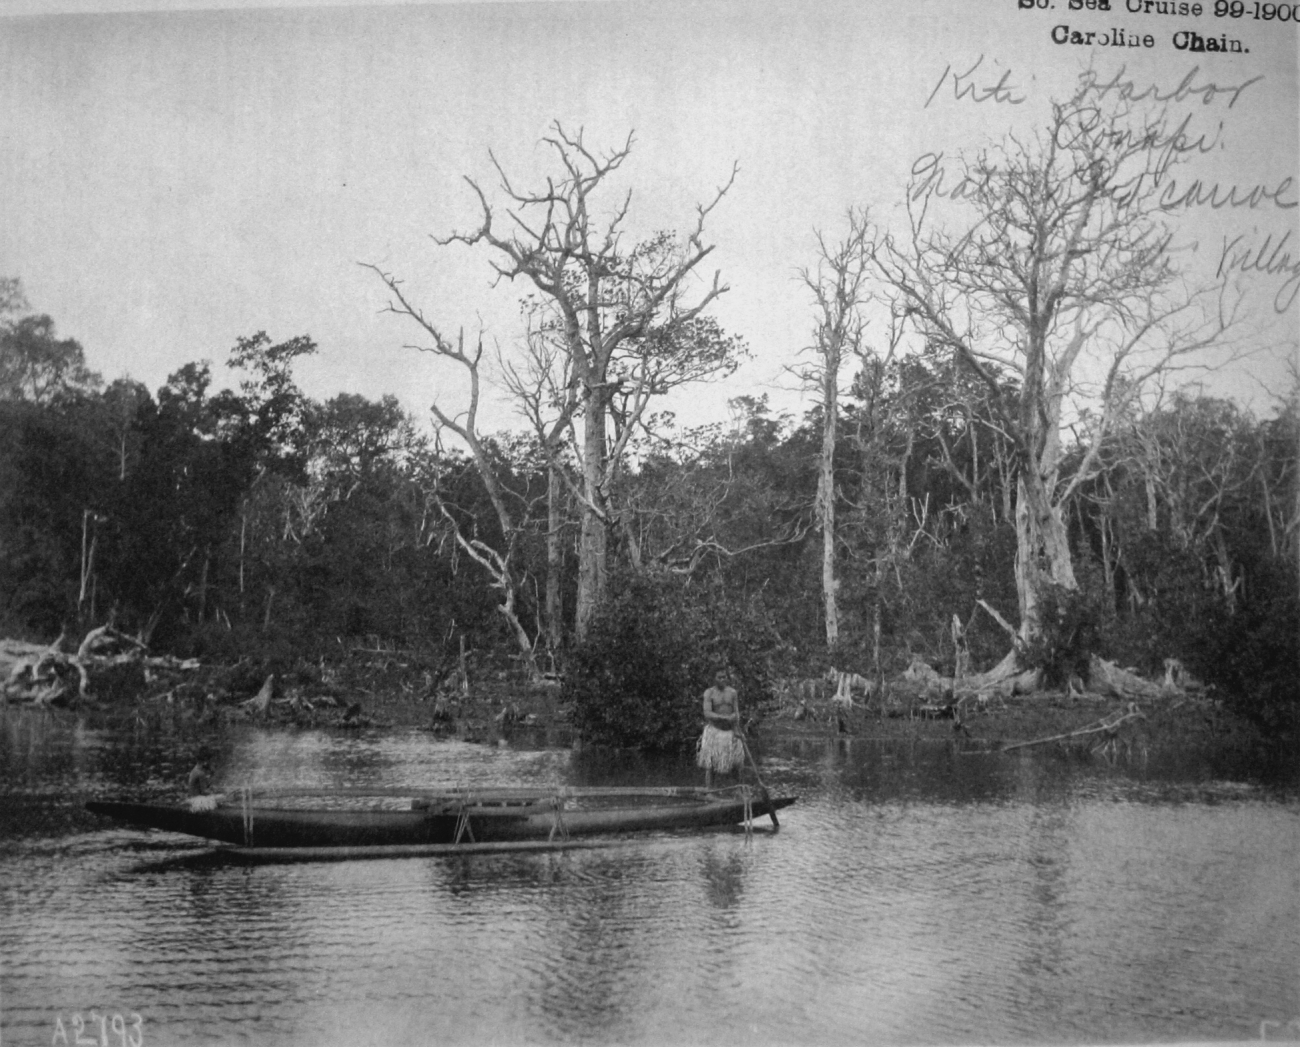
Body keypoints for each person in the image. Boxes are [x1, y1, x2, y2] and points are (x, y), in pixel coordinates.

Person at [697, 670, 746, 787]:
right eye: (719, 677)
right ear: (714, 678)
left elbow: (736, 713)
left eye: (724, 677)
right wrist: (723, 718)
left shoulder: (732, 692)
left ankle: (739, 791)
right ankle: (709, 791)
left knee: (737, 765)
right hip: (714, 732)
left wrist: (736, 728)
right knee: (711, 766)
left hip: (730, 731)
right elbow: (707, 713)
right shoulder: (709, 693)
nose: (722, 680)